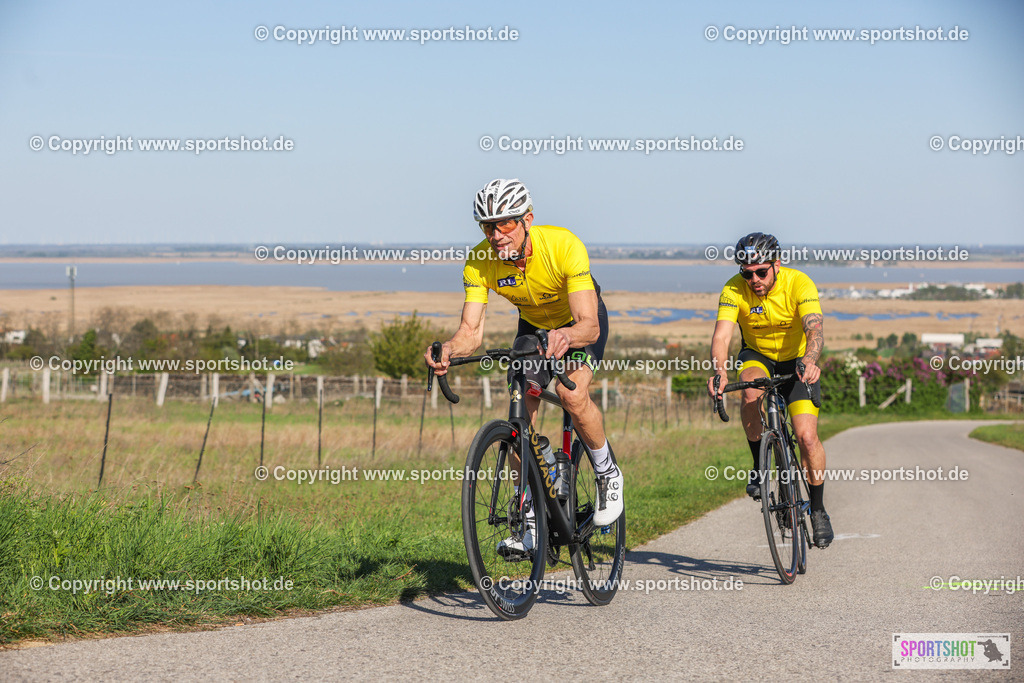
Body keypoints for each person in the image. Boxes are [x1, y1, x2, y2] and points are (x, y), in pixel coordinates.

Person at [424, 178, 622, 559]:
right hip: (533, 327)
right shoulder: (480, 261)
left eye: (506, 224)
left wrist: (567, 336)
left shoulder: (563, 245)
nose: (496, 235)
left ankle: (607, 472)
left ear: (527, 219)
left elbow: (589, 324)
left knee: (571, 393)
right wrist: (448, 348)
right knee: (519, 419)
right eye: (488, 226)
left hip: (579, 321)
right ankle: (531, 523)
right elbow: (471, 331)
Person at [706, 232, 834, 548]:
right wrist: (719, 371)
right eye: (746, 273)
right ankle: (759, 467)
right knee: (750, 393)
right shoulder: (733, 289)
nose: (754, 279)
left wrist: (811, 359)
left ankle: (817, 510)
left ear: (777, 265)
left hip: (798, 362)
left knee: (806, 437)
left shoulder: (799, 283)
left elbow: (814, 327)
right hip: (758, 356)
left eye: (761, 272)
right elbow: (722, 337)